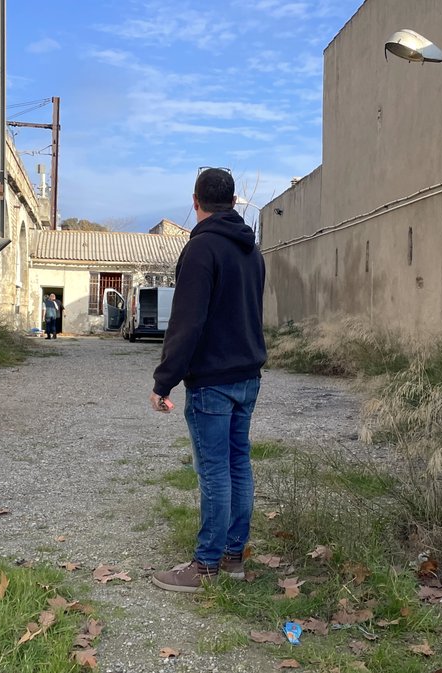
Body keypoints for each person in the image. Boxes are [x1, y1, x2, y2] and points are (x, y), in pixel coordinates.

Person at [149, 168, 266, 593]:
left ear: (195, 201)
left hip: (213, 382)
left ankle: (205, 566)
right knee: (238, 464)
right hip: (248, 376)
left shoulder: (201, 251)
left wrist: (165, 381)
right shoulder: (253, 252)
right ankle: (234, 556)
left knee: (215, 470)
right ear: (233, 202)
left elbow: (187, 323)